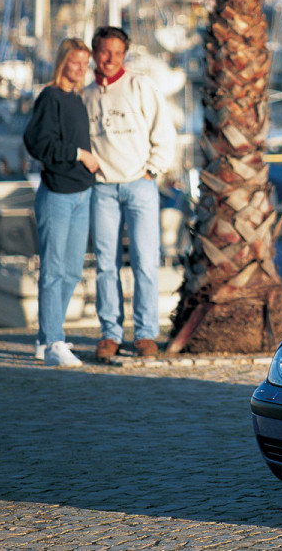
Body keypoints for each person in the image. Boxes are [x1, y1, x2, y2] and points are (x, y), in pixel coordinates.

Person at [83, 25, 176, 360]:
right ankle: (110, 333)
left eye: (118, 53)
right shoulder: (86, 94)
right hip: (103, 188)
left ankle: (146, 333)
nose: (111, 59)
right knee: (106, 264)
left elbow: (163, 130)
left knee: (145, 261)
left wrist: (153, 170)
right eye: (105, 52)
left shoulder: (140, 86)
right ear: (95, 53)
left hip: (140, 184)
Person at [23, 37, 101, 367]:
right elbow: (37, 143)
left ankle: (46, 338)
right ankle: (55, 342)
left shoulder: (77, 98)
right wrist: (79, 154)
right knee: (53, 272)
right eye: (74, 62)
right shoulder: (51, 97)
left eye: (85, 63)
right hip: (56, 195)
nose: (80, 68)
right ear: (62, 62)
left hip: (82, 193)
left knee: (71, 272)